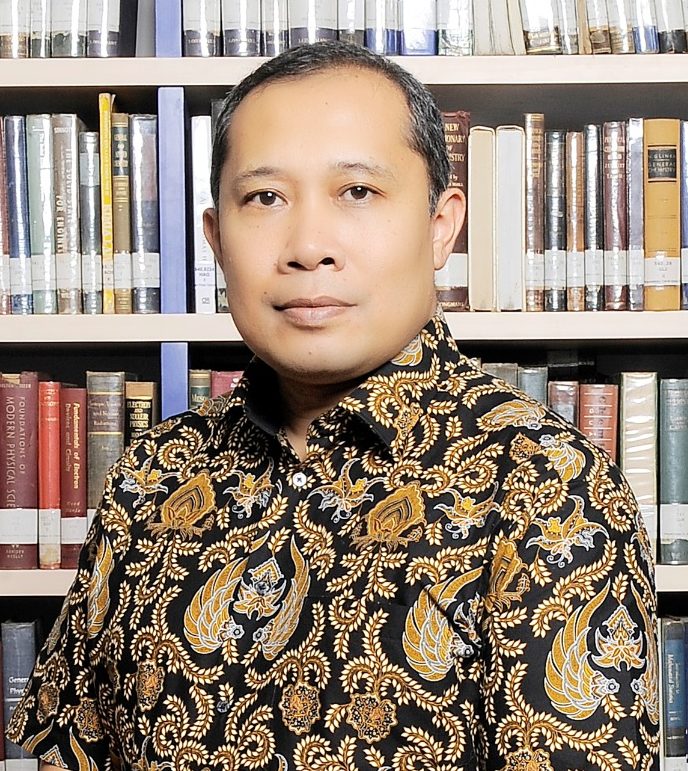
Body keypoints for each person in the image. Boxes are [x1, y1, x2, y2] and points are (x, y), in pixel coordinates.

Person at [8, 41, 658, 771]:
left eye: (357, 192)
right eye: (265, 198)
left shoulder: (551, 486)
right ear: (216, 240)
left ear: (441, 227)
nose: (309, 247)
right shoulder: (152, 473)